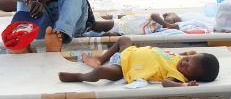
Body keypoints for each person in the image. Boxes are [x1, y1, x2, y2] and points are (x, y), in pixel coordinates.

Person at [58, 36, 220, 87]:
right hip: (129, 53)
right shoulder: (179, 59)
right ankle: (100, 58)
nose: (184, 63)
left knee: (101, 73)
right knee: (124, 39)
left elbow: (166, 83)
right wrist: (187, 53)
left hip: (125, 68)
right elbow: (181, 56)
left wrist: (183, 85)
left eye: (187, 68)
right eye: (188, 60)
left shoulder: (176, 75)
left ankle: (80, 76)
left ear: (190, 77)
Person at [86, 12, 181, 36]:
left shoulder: (160, 29)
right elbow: (153, 14)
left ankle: (86, 34)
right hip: (120, 25)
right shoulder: (158, 19)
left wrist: (168, 27)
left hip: (122, 33)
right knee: (95, 25)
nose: (173, 23)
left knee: (107, 35)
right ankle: (82, 28)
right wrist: (168, 24)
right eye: (173, 20)